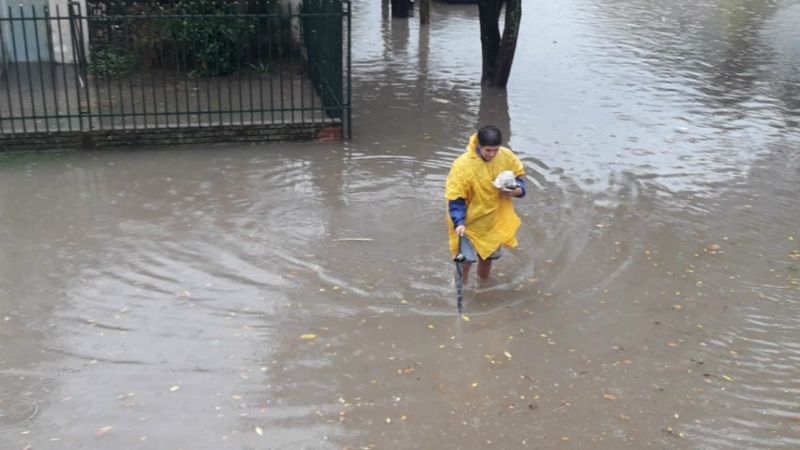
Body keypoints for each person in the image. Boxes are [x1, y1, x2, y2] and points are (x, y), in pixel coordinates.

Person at [445, 125, 526, 285]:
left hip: (493, 218)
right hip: (467, 220)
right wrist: (458, 221)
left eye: (495, 150)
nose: (492, 154)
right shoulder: (462, 165)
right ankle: (461, 285)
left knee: (487, 257)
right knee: (466, 260)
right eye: (488, 150)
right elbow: (456, 198)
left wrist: (516, 191)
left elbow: (520, 183)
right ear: (479, 146)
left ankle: (482, 284)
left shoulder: (506, 156)